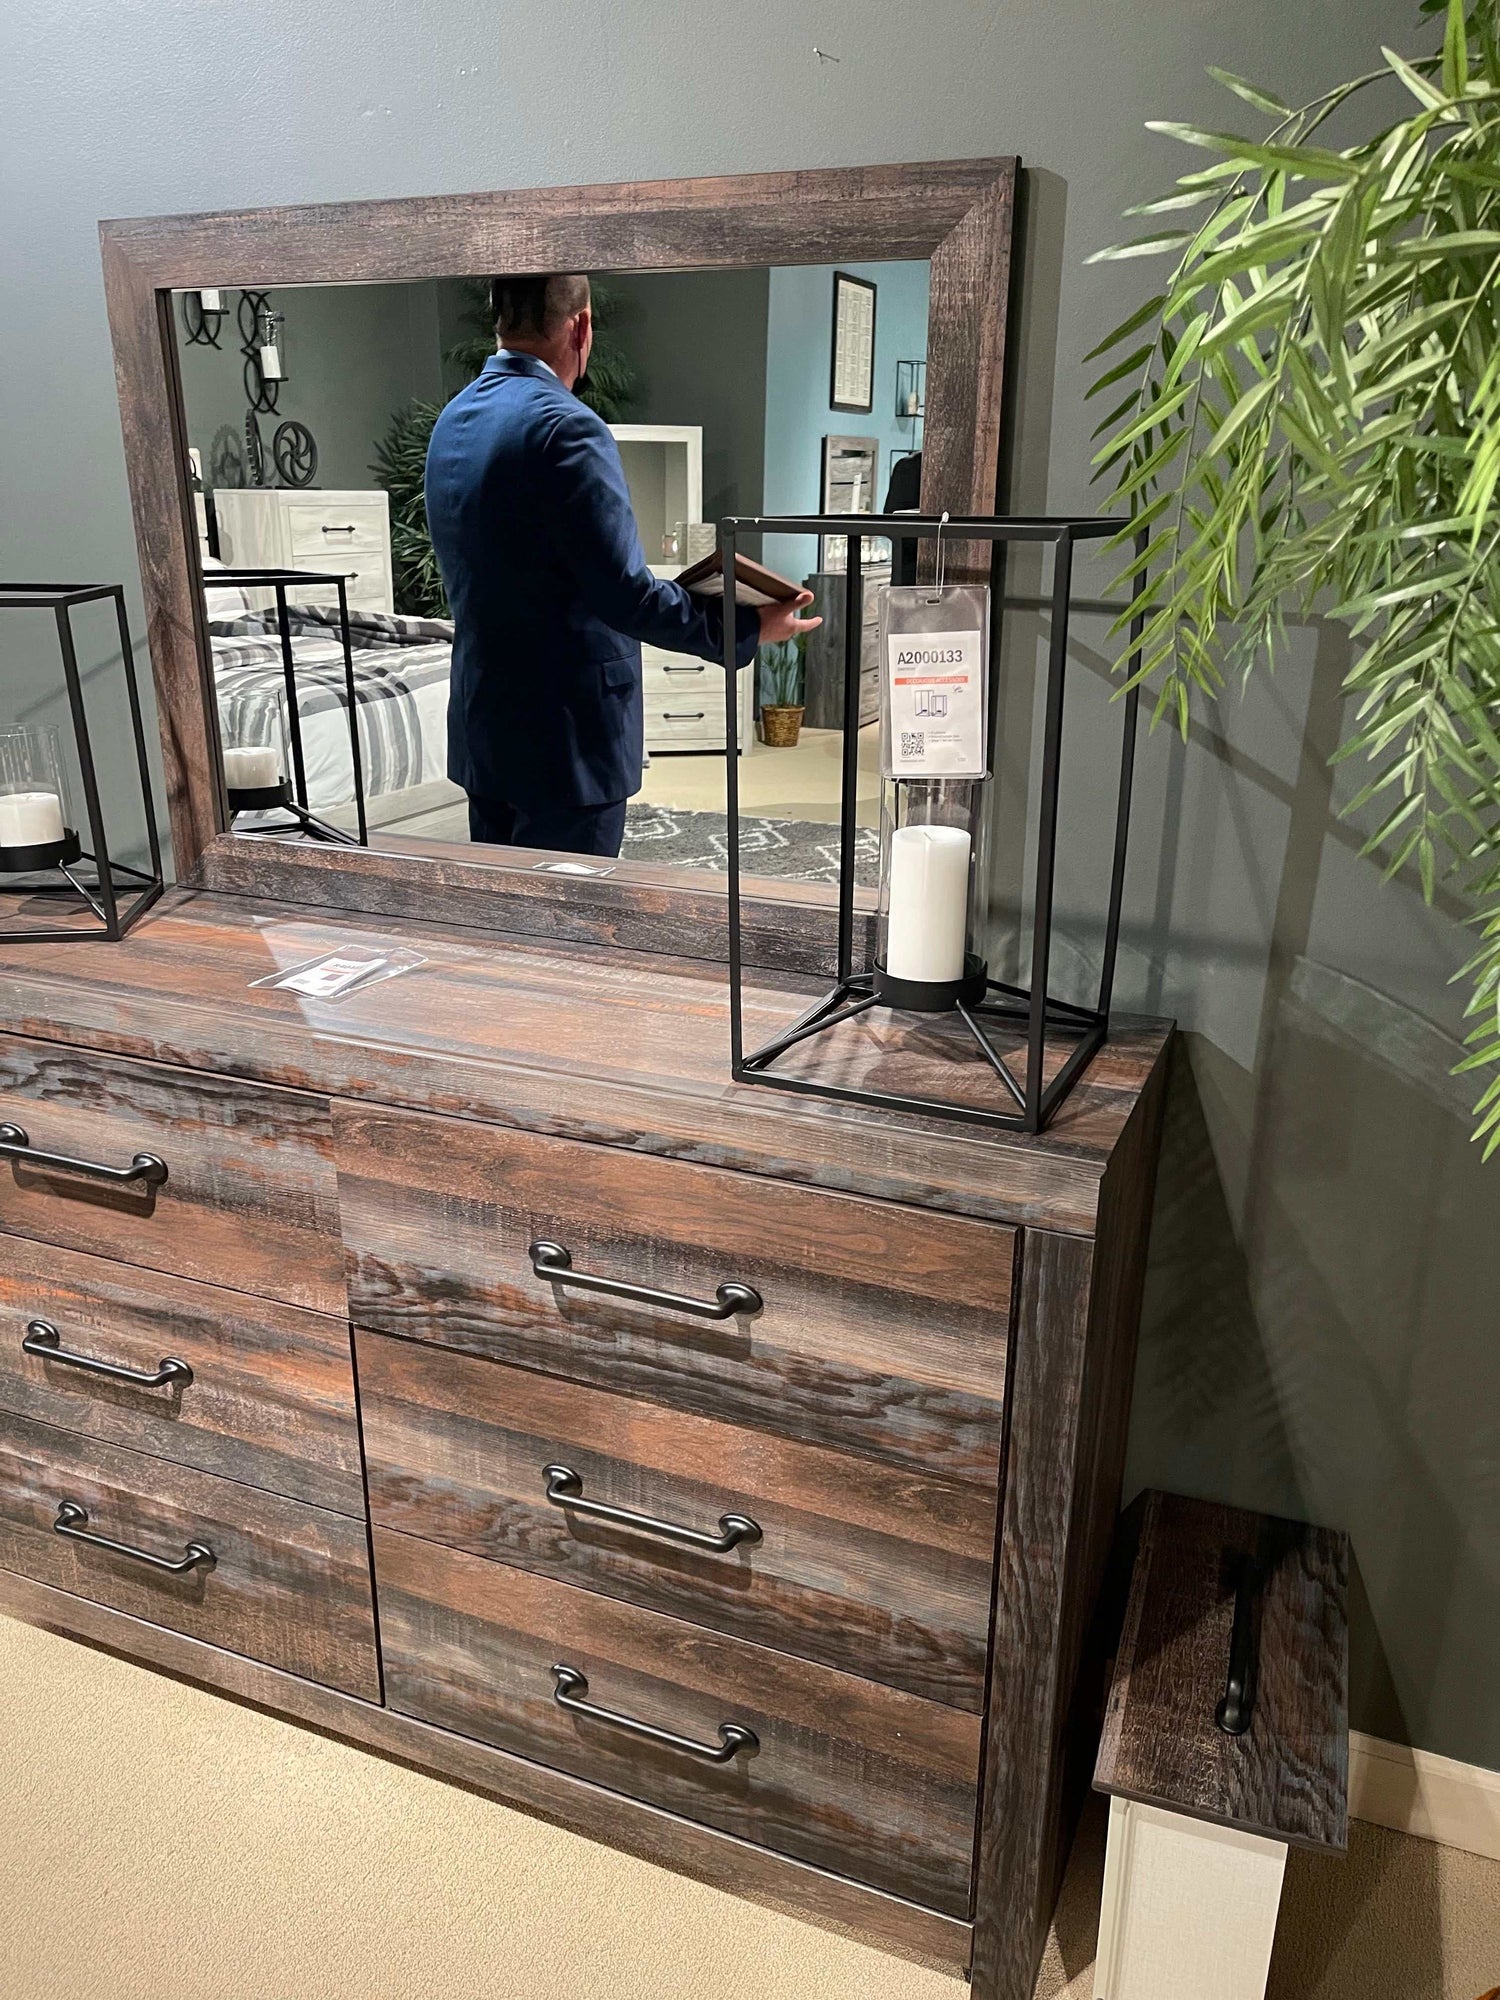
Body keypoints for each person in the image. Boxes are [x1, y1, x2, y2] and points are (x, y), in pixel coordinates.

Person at [425, 272, 821, 857]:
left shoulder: (453, 419)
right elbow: (625, 594)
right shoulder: (568, 427)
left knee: (505, 906)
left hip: (485, 725)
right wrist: (746, 625)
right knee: (574, 909)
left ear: (498, 319)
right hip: (568, 739)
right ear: (580, 326)